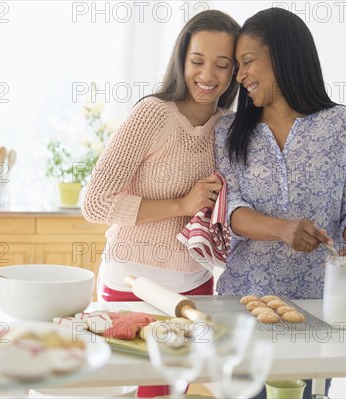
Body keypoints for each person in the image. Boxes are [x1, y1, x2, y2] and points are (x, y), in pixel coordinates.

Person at [213, 8, 346, 399]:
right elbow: (231, 212)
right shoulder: (227, 131)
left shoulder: (341, 125)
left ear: (284, 55)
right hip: (244, 305)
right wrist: (283, 230)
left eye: (248, 61)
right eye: (237, 65)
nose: (240, 76)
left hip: (319, 311)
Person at [82, 9, 241, 398]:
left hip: (195, 285)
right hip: (132, 284)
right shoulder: (151, 114)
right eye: (198, 61)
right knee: (140, 390)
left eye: (223, 64)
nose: (208, 75)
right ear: (181, 59)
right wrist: (180, 204)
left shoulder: (230, 127)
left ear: (235, 71)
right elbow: (95, 203)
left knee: (174, 391)